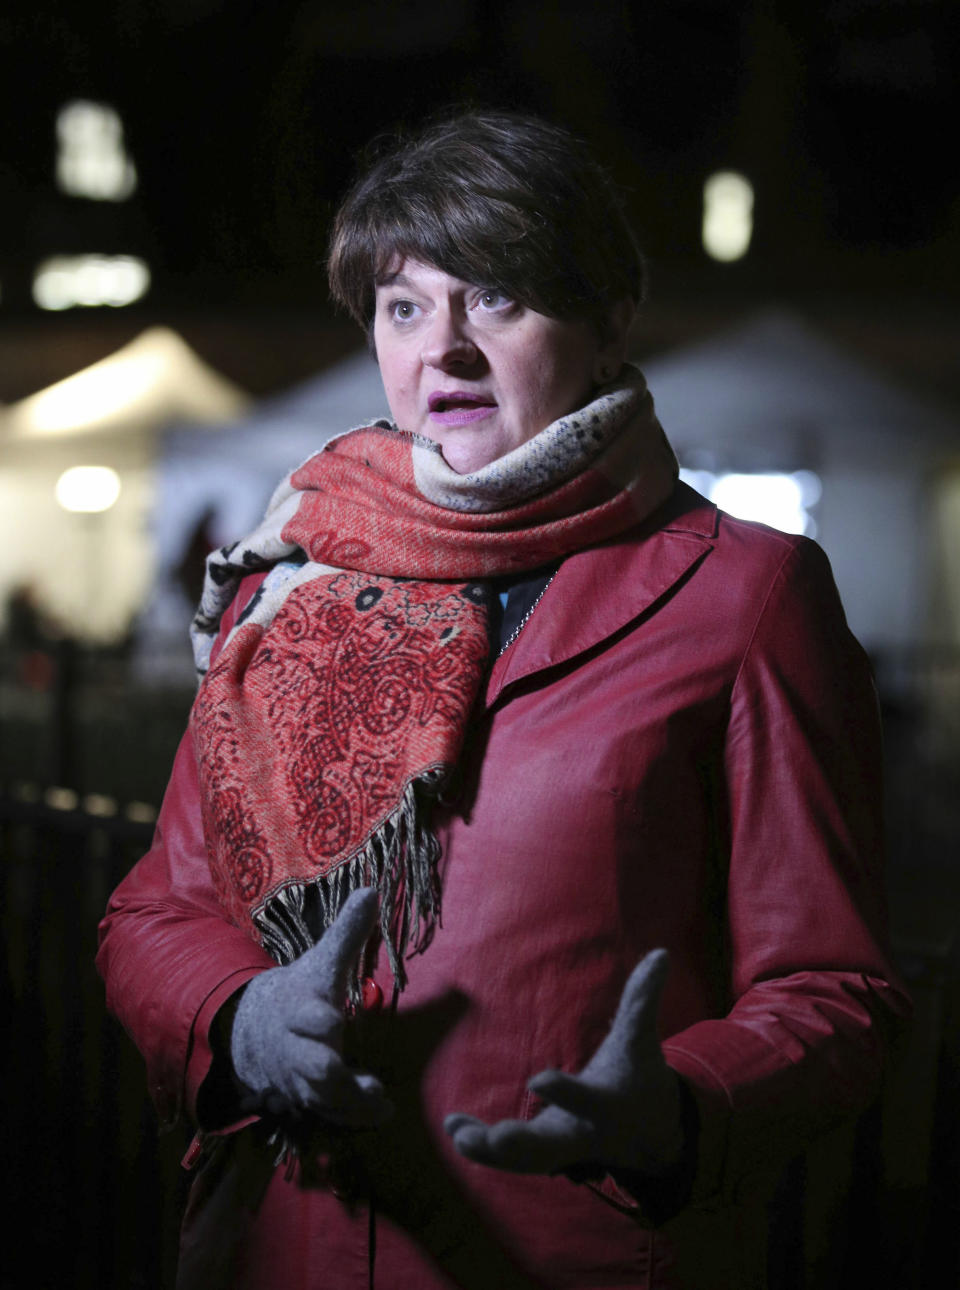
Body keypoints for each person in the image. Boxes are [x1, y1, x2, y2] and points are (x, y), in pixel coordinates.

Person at [97, 110, 909, 1290]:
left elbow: (835, 990)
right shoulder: (297, 578)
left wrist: (681, 1112)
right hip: (288, 1246)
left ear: (605, 319)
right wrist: (239, 1025)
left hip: (558, 1253)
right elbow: (156, 911)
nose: (447, 351)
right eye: (406, 306)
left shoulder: (746, 595)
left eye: (500, 299)